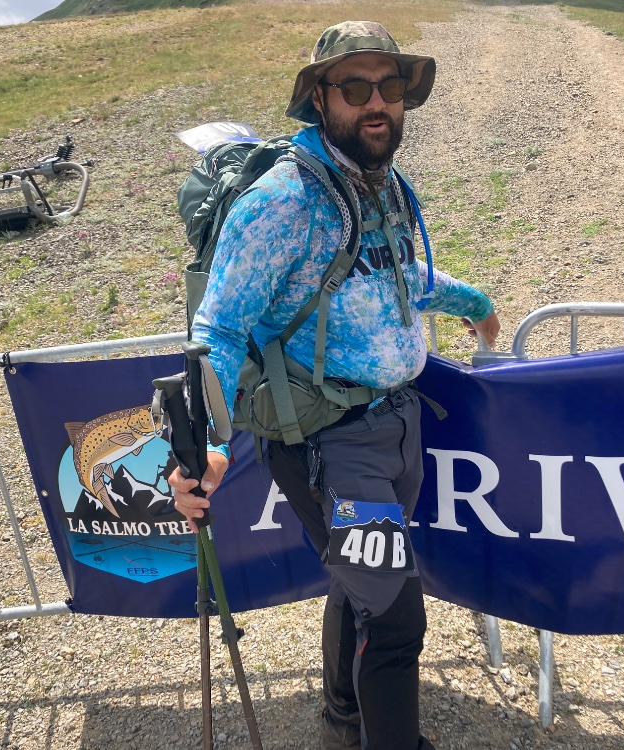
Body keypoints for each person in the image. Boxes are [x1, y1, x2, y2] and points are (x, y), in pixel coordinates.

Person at [170, 21, 500, 750]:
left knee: (360, 588)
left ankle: (345, 717)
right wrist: (209, 445)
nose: (376, 101)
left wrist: (474, 303)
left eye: (390, 85)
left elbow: (397, 273)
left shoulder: (382, 183)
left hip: (393, 424)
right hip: (330, 442)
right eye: (355, 86)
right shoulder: (283, 201)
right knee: (395, 618)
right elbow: (219, 327)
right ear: (320, 99)